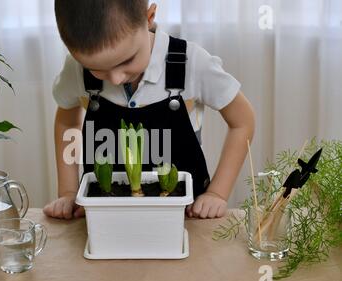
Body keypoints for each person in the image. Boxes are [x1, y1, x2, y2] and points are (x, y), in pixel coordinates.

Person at [43, 0, 255, 219]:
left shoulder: (191, 63)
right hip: (106, 217)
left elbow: (242, 121)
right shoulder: (75, 69)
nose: (115, 78)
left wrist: (217, 193)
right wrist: (68, 191)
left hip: (184, 216)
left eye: (127, 60)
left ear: (149, 17)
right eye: (97, 69)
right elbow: (67, 122)